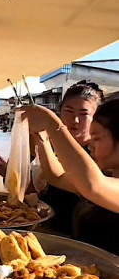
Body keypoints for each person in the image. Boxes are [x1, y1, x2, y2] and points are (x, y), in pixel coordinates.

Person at [0, 81, 104, 233]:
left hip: (79, 241)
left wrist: (50, 125)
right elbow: (46, 183)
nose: (75, 120)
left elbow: (86, 183)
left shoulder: (101, 156)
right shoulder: (52, 145)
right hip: (45, 229)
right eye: (69, 111)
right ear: (60, 112)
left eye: (84, 114)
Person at [20, 98, 119, 252]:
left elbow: (92, 185)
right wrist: (42, 138)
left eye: (97, 138)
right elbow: (56, 176)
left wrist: (53, 125)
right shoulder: (105, 177)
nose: (91, 145)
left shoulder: (98, 183)